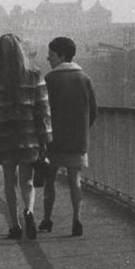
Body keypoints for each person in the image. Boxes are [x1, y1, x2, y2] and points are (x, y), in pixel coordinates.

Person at [0, 33, 51, 240]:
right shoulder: (34, 75)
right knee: (27, 181)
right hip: (28, 135)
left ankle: (14, 225)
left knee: (9, 181)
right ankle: (29, 211)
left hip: (4, 136)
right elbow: (43, 110)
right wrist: (45, 138)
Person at [41, 36, 98, 237]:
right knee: (75, 179)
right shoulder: (84, 78)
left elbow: (43, 111)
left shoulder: (49, 79)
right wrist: (82, 128)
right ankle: (77, 219)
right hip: (77, 139)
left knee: (50, 181)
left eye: (51, 55)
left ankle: (47, 219)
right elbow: (93, 110)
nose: (48, 58)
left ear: (61, 55)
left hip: (54, 141)